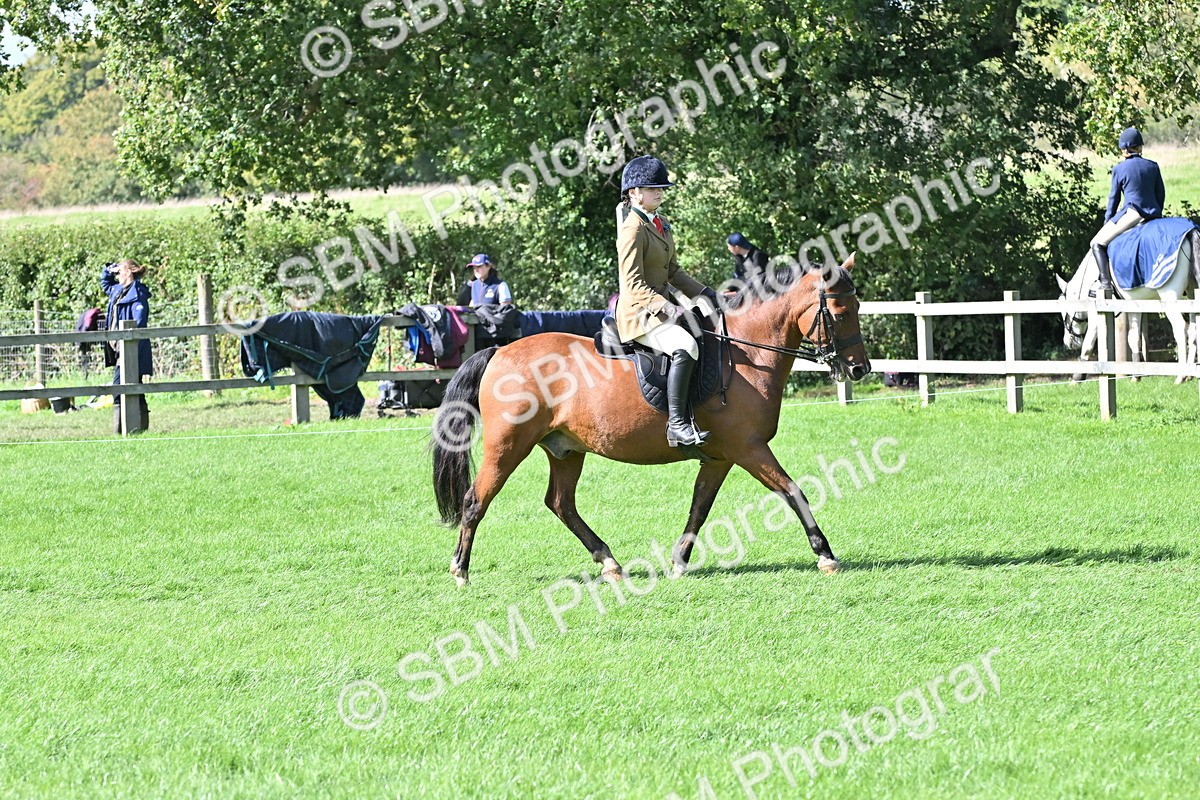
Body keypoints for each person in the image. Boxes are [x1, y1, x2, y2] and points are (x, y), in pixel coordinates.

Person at [615, 155, 719, 447]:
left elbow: (673, 271)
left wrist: (708, 294)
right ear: (634, 193)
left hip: (659, 308)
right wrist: (669, 307)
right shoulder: (632, 229)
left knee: (705, 332)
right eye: (652, 188)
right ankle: (677, 426)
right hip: (638, 314)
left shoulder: (661, 223)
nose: (659, 192)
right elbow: (632, 284)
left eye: (661, 187)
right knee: (685, 345)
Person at [1091, 127, 1165, 291]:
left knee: (1096, 242)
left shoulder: (1119, 169)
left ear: (1123, 149)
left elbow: (1113, 200)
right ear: (1139, 147)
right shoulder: (1153, 166)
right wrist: (1157, 213)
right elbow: (1160, 195)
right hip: (1154, 215)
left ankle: (1105, 284)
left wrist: (1107, 223)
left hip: (1132, 214)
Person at [101, 259, 152, 433]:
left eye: (119, 272)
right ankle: (138, 430)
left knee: (119, 388)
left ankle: (122, 430)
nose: (116, 275)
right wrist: (109, 269)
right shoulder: (118, 290)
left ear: (129, 273)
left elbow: (139, 324)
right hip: (119, 350)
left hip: (131, 350)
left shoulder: (138, 294)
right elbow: (105, 283)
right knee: (134, 387)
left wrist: (129, 350)